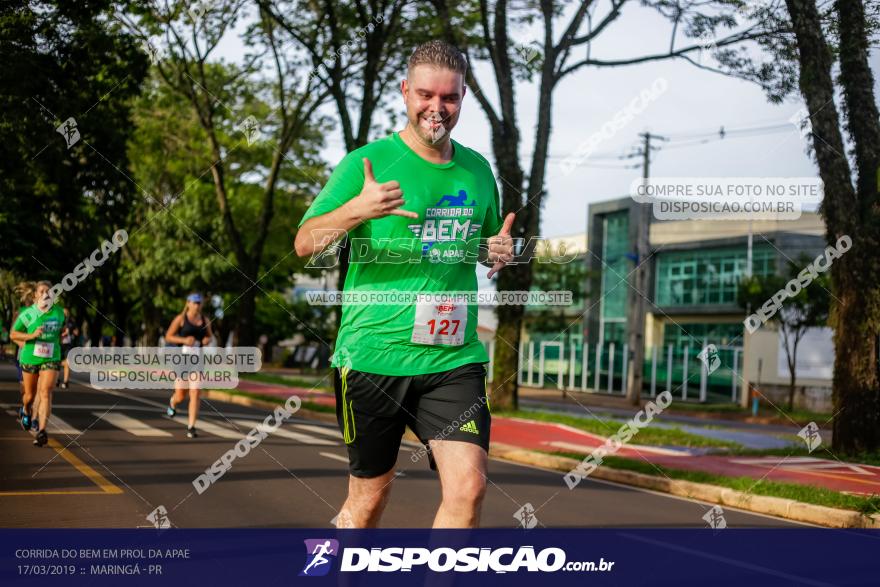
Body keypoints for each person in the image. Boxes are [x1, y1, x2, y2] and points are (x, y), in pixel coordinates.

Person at [294, 40, 514, 529]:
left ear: (463, 97)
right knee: (368, 503)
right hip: (374, 356)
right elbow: (306, 243)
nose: (437, 108)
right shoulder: (365, 163)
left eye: (450, 97)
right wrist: (358, 209)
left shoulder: (478, 170)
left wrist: (496, 251)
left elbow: (480, 243)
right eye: (425, 95)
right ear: (404, 93)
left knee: (469, 487)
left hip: (452, 358)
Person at [11, 281, 65, 446]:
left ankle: (42, 431)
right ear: (35, 295)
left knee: (46, 392)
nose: (45, 294)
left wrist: (61, 337)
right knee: (29, 396)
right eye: (41, 291)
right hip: (30, 358)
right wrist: (31, 336)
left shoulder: (59, 313)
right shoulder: (28, 314)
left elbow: (60, 333)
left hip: (51, 357)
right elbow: (13, 334)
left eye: (48, 291)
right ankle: (25, 410)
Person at [164, 293, 213, 438]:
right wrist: (184, 340)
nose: (197, 305)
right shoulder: (180, 319)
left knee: (195, 392)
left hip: (197, 360)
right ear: (188, 303)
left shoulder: (205, 320)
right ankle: (173, 402)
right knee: (180, 394)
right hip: (182, 360)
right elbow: (168, 336)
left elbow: (209, 336)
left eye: (199, 303)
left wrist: (206, 340)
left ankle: (191, 427)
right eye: (195, 302)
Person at [58, 307, 78, 389]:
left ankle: (66, 382)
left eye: (66, 313)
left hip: (68, 345)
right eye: (63, 313)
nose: (65, 314)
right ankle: (57, 379)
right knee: (57, 363)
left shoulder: (71, 322)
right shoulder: (58, 321)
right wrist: (62, 334)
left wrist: (72, 332)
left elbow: (76, 331)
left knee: (67, 363)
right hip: (59, 344)